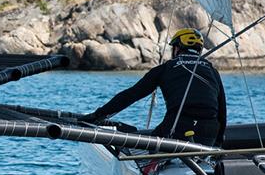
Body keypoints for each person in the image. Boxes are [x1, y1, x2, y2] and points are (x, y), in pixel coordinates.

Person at [81, 28, 226, 147]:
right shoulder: (212, 71)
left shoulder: (166, 68)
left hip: (177, 128)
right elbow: (222, 110)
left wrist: (97, 115)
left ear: (177, 48)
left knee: (142, 148)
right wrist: (218, 143)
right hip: (210, 131)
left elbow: (131, 95)